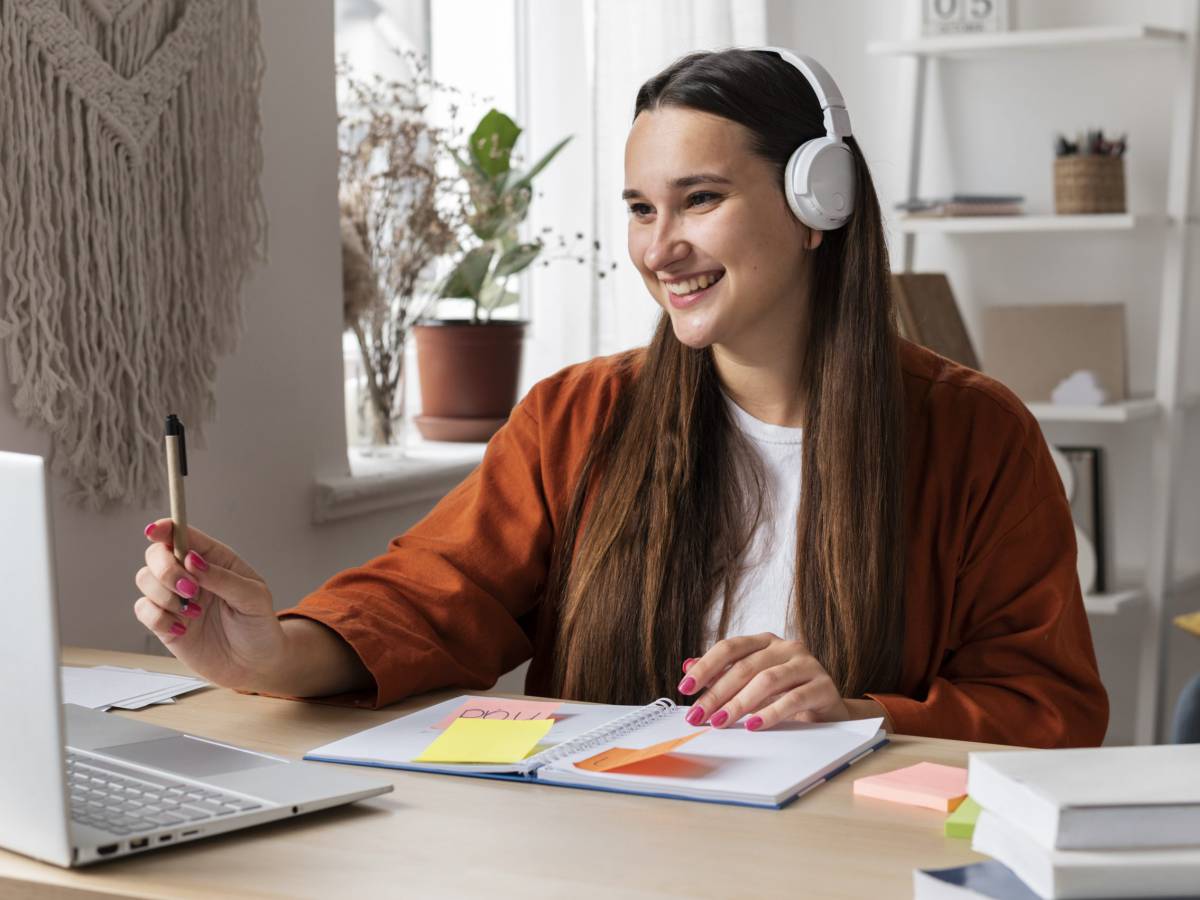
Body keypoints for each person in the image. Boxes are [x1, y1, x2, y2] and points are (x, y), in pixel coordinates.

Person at [133, 48, 1108, 747]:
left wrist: (855, 713)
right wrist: (268, 653)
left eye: (700, 200)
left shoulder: (978, 435)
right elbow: (436, 596)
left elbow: (1048, 709)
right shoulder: (580, 416)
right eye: (641, 208)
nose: (658, 247)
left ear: (821, 207)